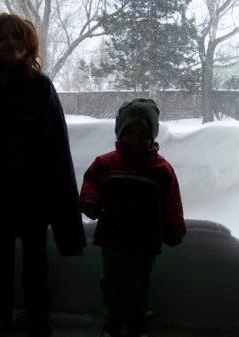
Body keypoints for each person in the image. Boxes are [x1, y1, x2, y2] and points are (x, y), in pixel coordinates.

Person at [0, 12, 86, 337]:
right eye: (2, 38)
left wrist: (61, 201)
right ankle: (0, 314)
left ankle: (38, 316)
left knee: (36, 260)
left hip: (34, 194)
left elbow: (56, 145)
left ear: (28, 44)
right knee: (0, 262)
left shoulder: (40, 87)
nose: (10, 43)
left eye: (17, 37)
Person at [79, 98, 186, 337]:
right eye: (130, 132)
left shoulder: (161, 169)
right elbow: (91, 182)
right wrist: (90, 201)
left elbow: (171, 202)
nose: (136, 139)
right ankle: (112, 324)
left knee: (139, 287)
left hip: (144, 242)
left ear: (153, 136)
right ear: (120, 133)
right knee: (112, 285)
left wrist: (174, 229)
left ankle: (138, 325)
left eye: (143, 133)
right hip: (112, 239)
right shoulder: (106, 163)